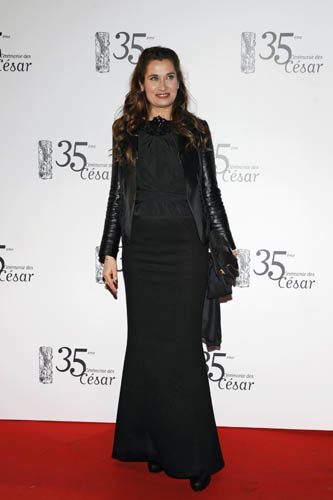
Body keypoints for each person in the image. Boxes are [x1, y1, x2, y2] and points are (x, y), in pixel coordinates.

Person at [98, 46, 238, 492]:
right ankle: (154, 444)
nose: (163, 86)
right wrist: (108, 251)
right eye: (154, 77)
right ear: (141, 84)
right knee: (146, 350)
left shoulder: (197, 131)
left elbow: (210, 194)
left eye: (170, 77)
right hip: (142, 254)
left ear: (180, 82)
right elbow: (117, 197)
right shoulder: (124, 131)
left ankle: (193, 455)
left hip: (184, 251)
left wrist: (226, 245)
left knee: (180, 353)